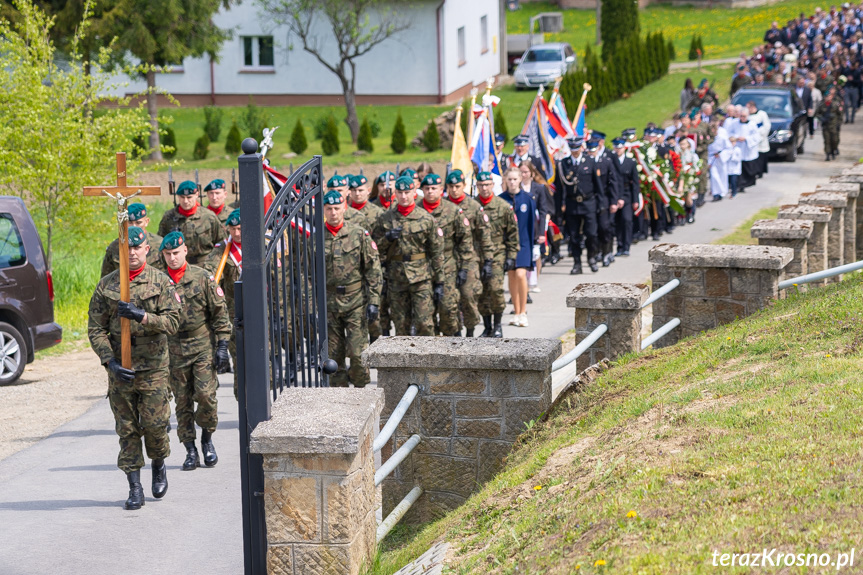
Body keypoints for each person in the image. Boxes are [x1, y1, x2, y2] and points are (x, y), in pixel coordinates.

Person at [87, 226, 181, 510]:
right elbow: (96, 328)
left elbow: (173, 323)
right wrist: (109, 361)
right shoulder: (107, 286)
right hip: (121, 370)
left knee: (154, 426)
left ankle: (159, 462)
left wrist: (142, 316)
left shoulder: (161, 282)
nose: (133, 253)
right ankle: (135, 487)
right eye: (127, 249)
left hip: (153, 369)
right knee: (127, 430)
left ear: (147, 250)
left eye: (137, 248)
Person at [160, 231, 230, 471]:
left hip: (201, 346)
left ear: (185, 251)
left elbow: (220, 313)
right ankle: (190, 449)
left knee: (205, 396)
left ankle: (207, 440)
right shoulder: (158, 282)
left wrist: (222, 346)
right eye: (167, 254)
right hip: (172, 349)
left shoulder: (202, 278)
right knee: (182, 402)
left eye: (176, 253)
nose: (172, 258)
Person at [323, 190, 381, 387]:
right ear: (324, 210)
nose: (333, 213)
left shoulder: (358, 234)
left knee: (358, 354)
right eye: (329, 209)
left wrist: (374, 302)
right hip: (329, 303)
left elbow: (373, 269)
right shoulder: (315, 237)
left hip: (355, 301)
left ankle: (360, 389)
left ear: (344, 208)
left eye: (337, 208)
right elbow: (307, 275)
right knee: (334, 356)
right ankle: (340, 398)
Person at [372, 176, 443, 336]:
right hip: (396, 278)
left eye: (407, 192)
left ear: (414, 193)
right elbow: (374, 249)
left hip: (421, 278)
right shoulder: (385, 218)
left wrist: (440, 281)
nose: (404, 196)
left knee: (425, 324)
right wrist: (387, 238)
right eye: (400, 192)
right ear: (395, 193)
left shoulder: (426, 219)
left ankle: (428, 358)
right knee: (401, 325)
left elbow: (436, 252)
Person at [418, 173, 473, 336]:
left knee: (448, 309)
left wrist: (464, 267)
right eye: (426, 189)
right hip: (422, 270)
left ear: (441, 190)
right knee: (425, 313)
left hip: (447, 267)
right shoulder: (416, 211)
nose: (430, 192)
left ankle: (454, 345)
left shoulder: (453, 211)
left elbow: (465, 241)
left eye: (433, 188)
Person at [446, 170, 492, 337]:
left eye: (457, 186)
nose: (454, 190)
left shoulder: (474, 207)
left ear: (464, 186)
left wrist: (488, 261)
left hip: (470, 258)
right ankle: (455, 333)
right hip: (448, 260)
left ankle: (470, 332)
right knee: (450, 300)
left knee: (468, 295)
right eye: (451, 186)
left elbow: (484, 235)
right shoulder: (444, 206)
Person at [202, 209, 242, 399]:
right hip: (235, 313)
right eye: (232, 229)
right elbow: (210, 271)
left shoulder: (262, 246)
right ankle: (243, 400)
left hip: (262, 312)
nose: (236, 233)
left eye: (241, 229)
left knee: (262, 362)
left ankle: (264, 403)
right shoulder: (223, 249)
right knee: (239, 358)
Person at [474, 172, 518, 337]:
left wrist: (511, 256)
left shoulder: (503, 206)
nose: (484, 188)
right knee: (482, 291)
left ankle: (498, 325)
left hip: (497, 254)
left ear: (493, 185)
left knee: (495, 289)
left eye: (487, 184)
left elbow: (513, 234)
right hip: (478, 256)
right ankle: (487, 326)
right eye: (481, 185)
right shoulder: (473, 206)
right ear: (477, 186)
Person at [555, 137, 602, 274]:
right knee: (574, 236)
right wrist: (559, 208)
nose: (575, 152)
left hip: (589, 203)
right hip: (572, 204)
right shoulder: (564, 163)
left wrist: (601, 204)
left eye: (577, 148)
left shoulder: (590, 161)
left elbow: (597, 184)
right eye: (572, 149)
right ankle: (577, 263)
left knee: (591, 234)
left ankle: (591, 258)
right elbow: (560, 188)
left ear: (581, 147)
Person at [501, 168, 535, 328]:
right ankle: (515, 311)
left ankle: (523, 311)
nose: (512, 182)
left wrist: (533, 246)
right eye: (510, 179)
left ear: (520, 179)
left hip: (524, 244)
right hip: (507, 246)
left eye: (515, 179)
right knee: (512, 276)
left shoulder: (527, 199)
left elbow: (531, 225)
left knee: (521, 274)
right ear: (505, 180)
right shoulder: (501, 200)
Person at [158, 180, 223, 264]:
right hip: (176, 265)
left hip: (205, 266)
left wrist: (214, 265)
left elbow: (221, 244)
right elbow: (160, 243)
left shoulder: (209, 217)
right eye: (182, 197)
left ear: (196, 195)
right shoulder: (168, 218)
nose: (185, 201)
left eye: (189, 197)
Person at [518, 161, 554, 293]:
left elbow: (543, 210)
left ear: (532, 173)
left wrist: (542, 233)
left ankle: (534, 280)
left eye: (526, 172)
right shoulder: (516, 188)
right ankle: (524, 283)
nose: (524, 174)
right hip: (521, 226)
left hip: (535, 225)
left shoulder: (538, 188)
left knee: (536, 254)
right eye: (521, 172)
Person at [101, 203, 162, 277]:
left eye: (138, 223)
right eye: (129, 222)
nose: (134, 226)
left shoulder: (159, 244)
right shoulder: (115, 246)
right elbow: (106, 279)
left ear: (146, 222)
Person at [587, 136, 619, 266]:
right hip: (590, 200)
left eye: (593, 150)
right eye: (589, 150)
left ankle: (607, 252)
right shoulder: (586, 163)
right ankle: (596, 253)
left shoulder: (606, 162)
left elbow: (613, 183)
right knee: (592, 231)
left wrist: (613, 201)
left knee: (604, 227)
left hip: (604, 199)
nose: (591, 152)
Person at [610, 137, 639, 256]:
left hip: (627, 195)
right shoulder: (610, 161)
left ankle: (626, 246)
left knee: (627, 220)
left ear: (624, 148)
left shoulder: (630, 162)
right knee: (616, 222)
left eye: (620, 147)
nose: (618, 149)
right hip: (614, 195)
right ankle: (620, 246)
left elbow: (635, 182)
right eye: (616, 147)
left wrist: (635, 200)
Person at [817, 85, 843, 159]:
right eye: (827, 96)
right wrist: (821, 119)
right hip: (825, 125)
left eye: (829, 96)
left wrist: (839, 123)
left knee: (834, 140)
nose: (828, 98)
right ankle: (828, 154)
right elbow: (817, 114)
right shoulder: (822, 105)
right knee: (827, 140)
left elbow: (840, 114)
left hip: (834, 125)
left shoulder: (836, 103)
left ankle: (833, 150)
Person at [747, 101, 772, 178]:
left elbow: (767, 125)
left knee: (761, 158)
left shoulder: (762, 114)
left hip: (761, 139)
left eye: (748, 107)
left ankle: (760, 172)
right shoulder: (747, 116)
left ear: (752, 107)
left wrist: (761, 135)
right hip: (752, 141)